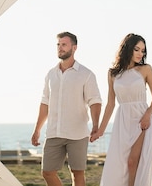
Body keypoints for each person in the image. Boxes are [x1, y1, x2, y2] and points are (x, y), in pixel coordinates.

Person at [31, 31, 102, 186]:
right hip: (54, 132)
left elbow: (95, 101)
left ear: (74, 48)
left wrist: (96, 125)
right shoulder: (51, 74)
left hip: (77, 133)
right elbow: (45, 103)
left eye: (64, 44)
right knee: (47, 172)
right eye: (58, 45)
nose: (60, 48)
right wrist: (37, 129)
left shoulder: (86, 74)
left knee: (77, 173)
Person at [90, 33, 152, 186]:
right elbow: (110, 104)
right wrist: (100, 130)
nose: (140, 54)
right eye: (137, 49)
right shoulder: (113, 74)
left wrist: (147, 115)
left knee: (132, 162)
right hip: (122, 121)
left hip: (142, 120)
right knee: (119, 165)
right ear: (128, 49)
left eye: (143, 51)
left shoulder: (146, 69)